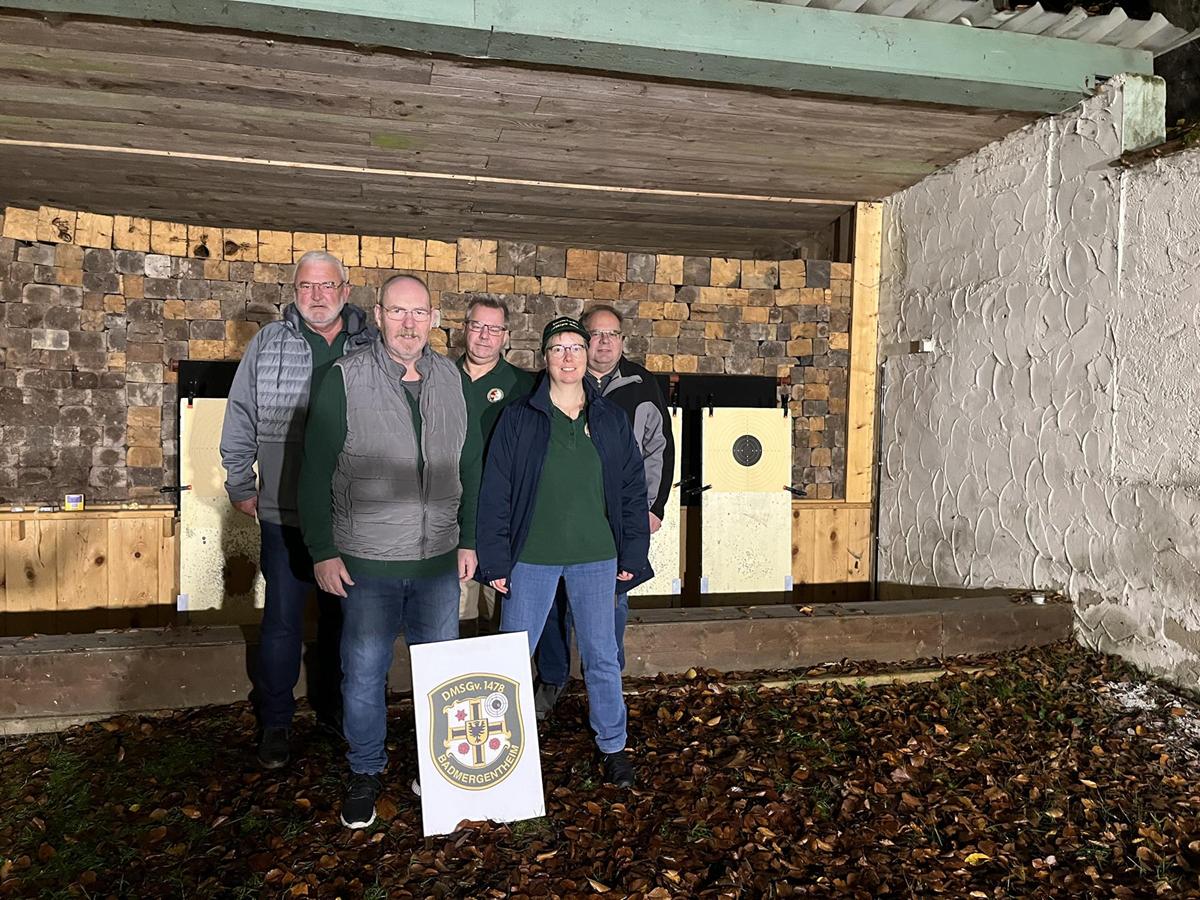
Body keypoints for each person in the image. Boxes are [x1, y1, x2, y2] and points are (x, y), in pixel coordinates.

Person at [297, 274, 477, 829]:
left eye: (419, 313)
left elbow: (468, 464)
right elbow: (314, 473)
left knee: (440, 678)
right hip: (366, 564)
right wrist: (323, 550)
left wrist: (469, 537)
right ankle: (365, 770)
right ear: (377, 315)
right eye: (398, 312)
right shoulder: (343, 379)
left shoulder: (452, 379)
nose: (408, 323)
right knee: (364, 675)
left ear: (434, 320)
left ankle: (438, 767)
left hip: (438, 562)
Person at [476, 316, 652, 788]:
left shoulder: (609, 419)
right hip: (530, 558)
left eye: (576, 346)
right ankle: (494, 750)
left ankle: (613, 745)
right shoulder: (518, 417)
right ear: (545, 358)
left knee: (602, 656)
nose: (569, 356)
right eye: (558, 348)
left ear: (587, 354)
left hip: (597, 556)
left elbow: (632, 489)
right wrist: (495, 560)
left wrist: (633, 554)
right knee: (511, 657)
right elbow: (495, 492)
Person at [220, 250, 375, 770]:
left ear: (345, 291)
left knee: (346, 621)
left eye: (327, 285)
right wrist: (240, 481)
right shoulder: (268, 344)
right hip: (284, 510)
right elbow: (241, 414)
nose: (317, 295)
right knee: (283, 621)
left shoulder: (371, 346)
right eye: (307, 286)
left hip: (352, 514)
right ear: (294, 291)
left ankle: (336, 708)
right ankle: (276, 721)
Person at [533, 304, 675, 718]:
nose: (605, 342)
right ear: (581, 340)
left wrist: (651, 507)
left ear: (622, 341)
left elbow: (659, 447)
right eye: (596, 334)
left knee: (611, 605)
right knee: (554, 605)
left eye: (613, 334)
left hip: (615, 523)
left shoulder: (641, 385)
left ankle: (607, 690)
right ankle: (553, 679)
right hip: (560, 522)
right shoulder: (553, 382)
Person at [456, 297, 535, 636]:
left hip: (501, 527)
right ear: (465, 329)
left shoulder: (524, 387)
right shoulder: (439, 377)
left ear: (506, 336)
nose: (485, 335)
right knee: (453, 623)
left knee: (503, 626)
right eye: (477, 326)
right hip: (449, 525)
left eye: (494, 328)